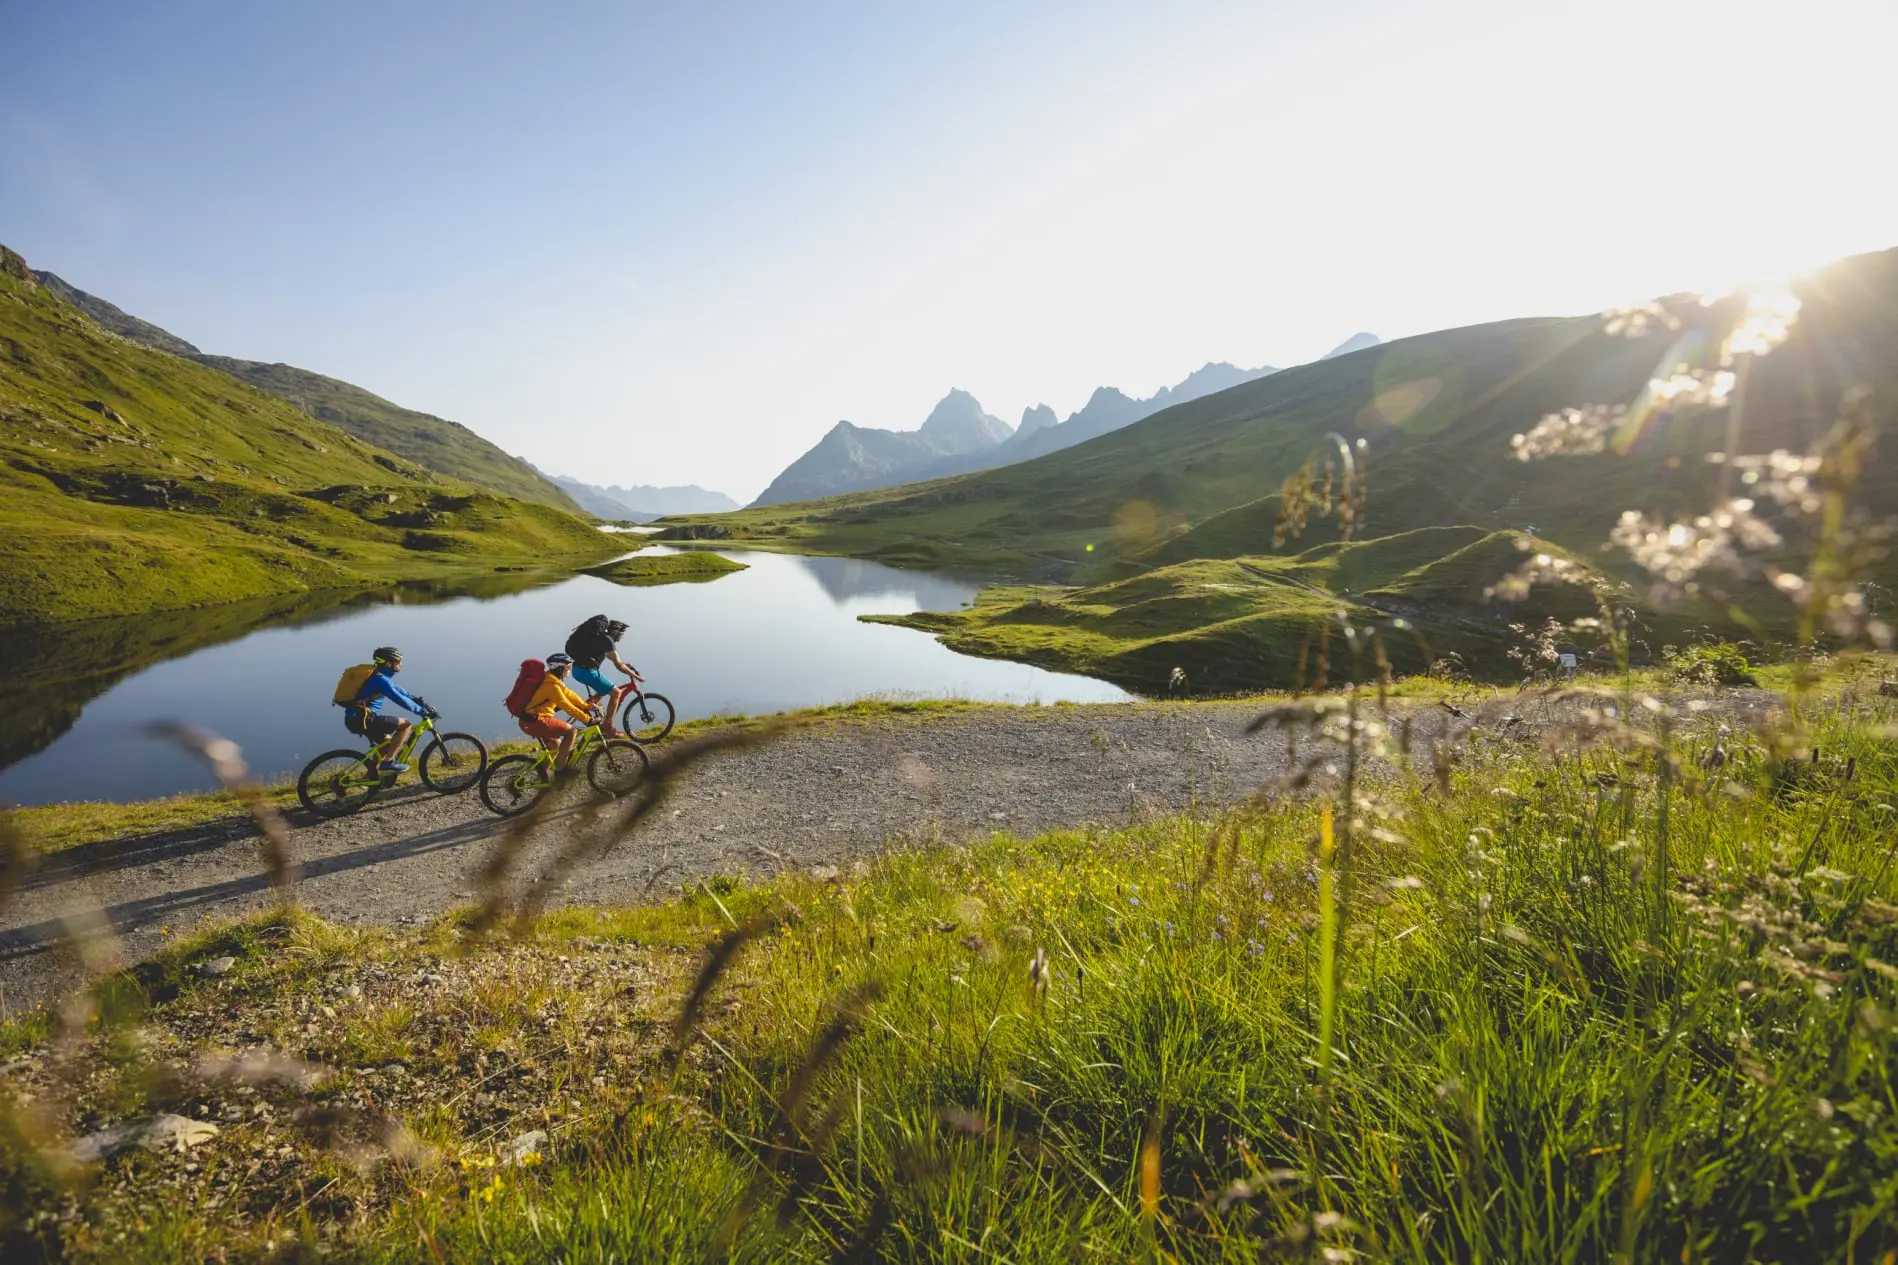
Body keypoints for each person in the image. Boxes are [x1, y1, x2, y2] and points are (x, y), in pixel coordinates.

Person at [343, 646, 435, 774]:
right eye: (398, 661)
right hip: (363, 719)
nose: (400, 664)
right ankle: (388, 762)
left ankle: (373, 778)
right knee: (406, 725)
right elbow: (397, 698)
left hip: (355, 719)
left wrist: (418, 701)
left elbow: (400, 691)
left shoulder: (379, 676)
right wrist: (421, 711)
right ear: (388, 663)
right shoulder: (380, 679)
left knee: (387, 745)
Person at [564, 615, 642, 738]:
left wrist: (625, 665)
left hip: (578, 670)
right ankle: (607, 728)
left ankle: (584, 708)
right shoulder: (608, 641)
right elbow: (618, 665)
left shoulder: (601, 638)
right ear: (615, 632)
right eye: (621, 634)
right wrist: (634, 675)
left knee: (602, 691)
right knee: (616, 693)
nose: (622, 637)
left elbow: (615, 659)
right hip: (587, 672)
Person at [519, 652, 594, 772]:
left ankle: (543, 777)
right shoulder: (551, 686)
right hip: (535, 721)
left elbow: (569, 694)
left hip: (530, 720)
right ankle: (561, 769)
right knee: (571, 731)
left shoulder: (551, 679)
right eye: (567, 667)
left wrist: (586, 706)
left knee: (555, 744)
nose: (569, 669)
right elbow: (567, 706)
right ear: (559, 668)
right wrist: (587, 719)